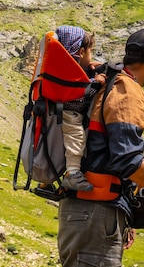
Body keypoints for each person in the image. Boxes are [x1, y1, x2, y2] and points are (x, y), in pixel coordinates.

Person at [57, 28, 144, 267]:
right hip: (96, 214)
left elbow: (104, 150)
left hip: (88, 210)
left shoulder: (107, 79)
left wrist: (123, 211)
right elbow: (128, 161)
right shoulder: (127, 91)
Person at [55, 25, 106, 191]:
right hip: (70, 113)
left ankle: (49, 180)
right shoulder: (69, 74)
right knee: (77, 138)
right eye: (90, 51)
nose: (91, 56)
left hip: (56, 111)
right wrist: (97, 81)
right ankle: (72, 173)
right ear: (81, 52)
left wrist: (90, 70)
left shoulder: (62, 67)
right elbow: (85, 92)